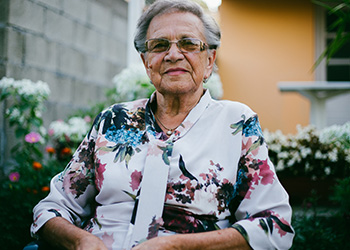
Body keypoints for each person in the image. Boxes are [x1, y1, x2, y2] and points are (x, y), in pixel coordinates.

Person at [31, 0, 294, 249]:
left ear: (210, 61)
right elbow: (51, 209)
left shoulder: (236, 123)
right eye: (158, 45)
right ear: (147, 63)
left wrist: (178, 246)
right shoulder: (114, 119)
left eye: (188, 43)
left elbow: (274, 225)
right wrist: (80, 242)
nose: (173, 54)